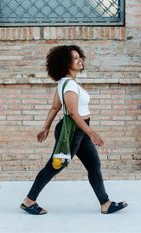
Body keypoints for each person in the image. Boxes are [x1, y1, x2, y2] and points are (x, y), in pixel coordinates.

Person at [20, 45, 128, 215]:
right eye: (75, 58)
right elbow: (72, 112)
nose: (80, 60)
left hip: (79, 131)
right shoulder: (69, 85)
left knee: (94, 165)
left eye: (80, 57)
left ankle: (105, 203)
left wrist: (46, 127)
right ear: (65, 63)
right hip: (73, 131)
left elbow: (55, 107)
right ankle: (29, 201)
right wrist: (91, 133)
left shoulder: (64, 82)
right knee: (54, 167)